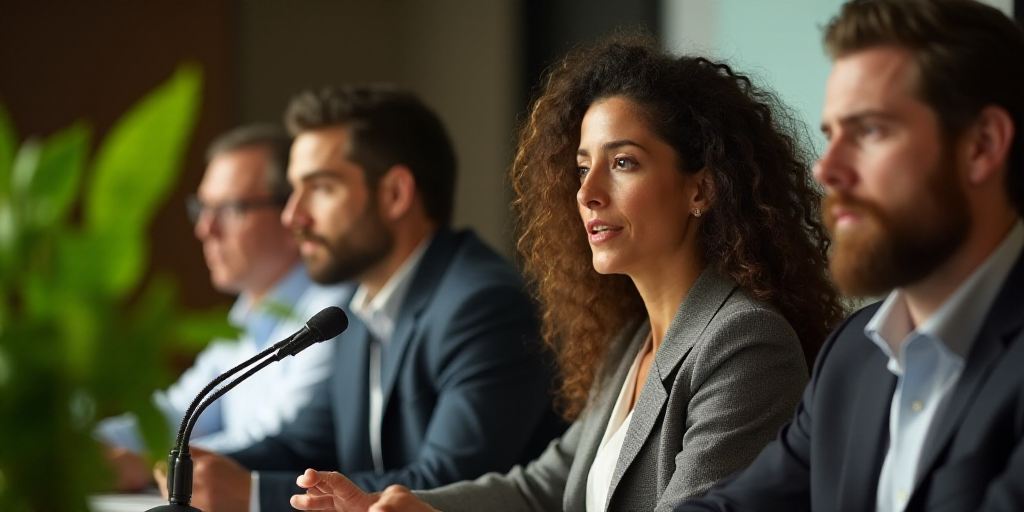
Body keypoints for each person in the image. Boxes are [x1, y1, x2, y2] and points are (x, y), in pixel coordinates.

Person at [287, 35, 847, 512]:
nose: (587, 193)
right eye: (582, 168)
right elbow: (542, 489)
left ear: (700, 187)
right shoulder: (632, 344)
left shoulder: (745, 343)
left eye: (622, 163)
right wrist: (403, 504)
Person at [679, 1, 1024, 511]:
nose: (827, 169)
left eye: (869, 132)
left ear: (982, 145)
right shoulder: (854, 357)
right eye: (831, 135)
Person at [170, 85, 564, 512]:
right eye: (293, 191)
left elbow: (446, 484)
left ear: (395, 194)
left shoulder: (482, 306)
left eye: (319, 188)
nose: (292, 216)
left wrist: (252, 495)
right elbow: (304, 446)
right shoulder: (356, 308)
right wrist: (194, 468)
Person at [97, 124, 350, 490]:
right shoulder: (248, 309)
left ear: (291, 214)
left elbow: (280, 443)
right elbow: (182, 412)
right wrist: (88, 445)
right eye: (202, 207)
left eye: (229, 209)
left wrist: (149, 464)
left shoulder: (333, 314)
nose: (205, 228)